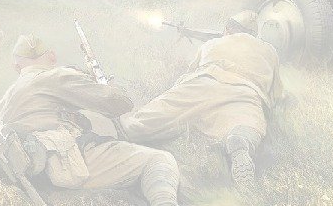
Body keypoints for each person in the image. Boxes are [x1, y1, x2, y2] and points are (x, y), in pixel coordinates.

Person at [0, 35, 225, 206]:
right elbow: (117, 104)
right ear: (52, 56)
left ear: (17, 65)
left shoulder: (6, 98)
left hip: (41, 170)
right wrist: (104, 85)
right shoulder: (55, 77)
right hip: (69, 163)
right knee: (158, 159)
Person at [121, 11, 282, 188]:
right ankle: (240, 140)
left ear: (228, 29)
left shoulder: (212, 44)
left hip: (204, 82)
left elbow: (191, 72)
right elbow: (275, 94)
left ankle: (121, 131)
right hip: (245, 92)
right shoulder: (270, 51)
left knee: (153, 115)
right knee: (248, 124)